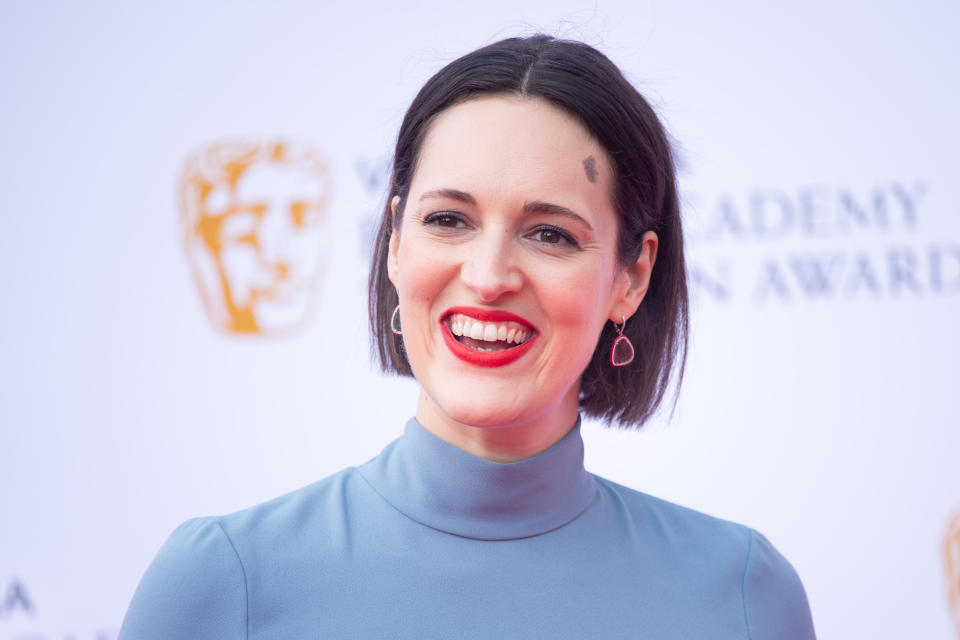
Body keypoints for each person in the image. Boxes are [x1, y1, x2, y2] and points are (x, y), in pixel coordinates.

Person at [119, 35, 816, 639]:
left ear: (631, 275)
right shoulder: (221, 583)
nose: (487, 277)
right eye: (448, 220)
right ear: (395, 244)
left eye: (550, 234)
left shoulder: (743, 595)